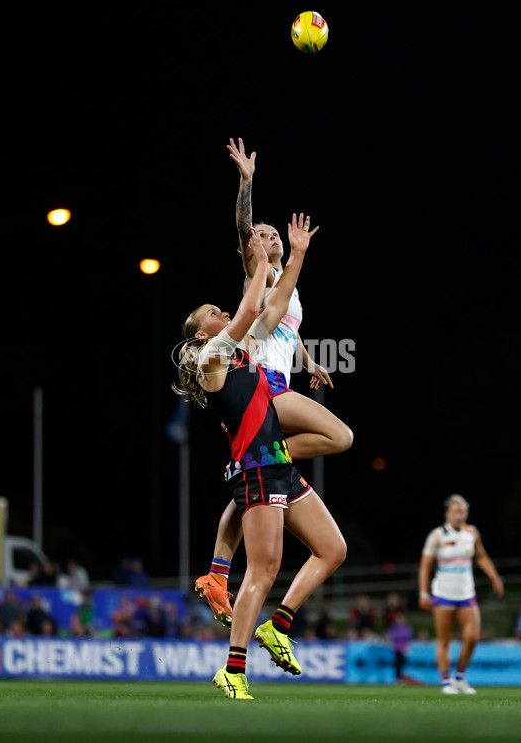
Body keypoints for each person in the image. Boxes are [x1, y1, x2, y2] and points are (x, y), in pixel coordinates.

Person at [174, 215, 347, 699]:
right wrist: (259, 259)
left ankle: (264, 611)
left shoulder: (243, 349)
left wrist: (290, 259)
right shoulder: (216, 357)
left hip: (274, 463)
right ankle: (233, 667)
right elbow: (253, 306)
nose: (220, 312)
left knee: (333, 549)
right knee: (266, 570)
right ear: (201, 335)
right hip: (259, 464)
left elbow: (272, 314)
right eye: (212, 311)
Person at [194, 137, 353, 628]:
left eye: (271, 233)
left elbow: (286, 328)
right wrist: (246, 183)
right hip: (261, 386)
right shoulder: (255, 276)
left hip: (280, 378)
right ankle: (226, 584)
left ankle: (218, 574)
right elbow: (244, 228)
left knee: (252, 478)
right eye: (261, 235)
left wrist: (310, 360)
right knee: (339, 437)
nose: (268, 237)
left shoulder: (288, 284)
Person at [418, 494, 504, 695]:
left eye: (463, 512)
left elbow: (481, 557)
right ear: (448, 513)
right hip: (443, 594)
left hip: (466, 593)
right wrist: (423, 592)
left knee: (472, 637)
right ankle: (446, 682)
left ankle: (460, 677)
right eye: (456, 512)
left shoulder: (472, 533)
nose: (459, 515)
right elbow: (425, 567)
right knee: (444, 639)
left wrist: (494, 577)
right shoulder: (437, 536)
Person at [386, 612, 413, 684]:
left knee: (404, 664)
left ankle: (404, 678)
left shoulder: (407, 628)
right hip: (397, 649)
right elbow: (390, 637)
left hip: (404, 649)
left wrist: (406, 647)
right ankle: (398, 678)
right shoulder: (394, 628)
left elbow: (409, 638)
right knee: (398, 664)